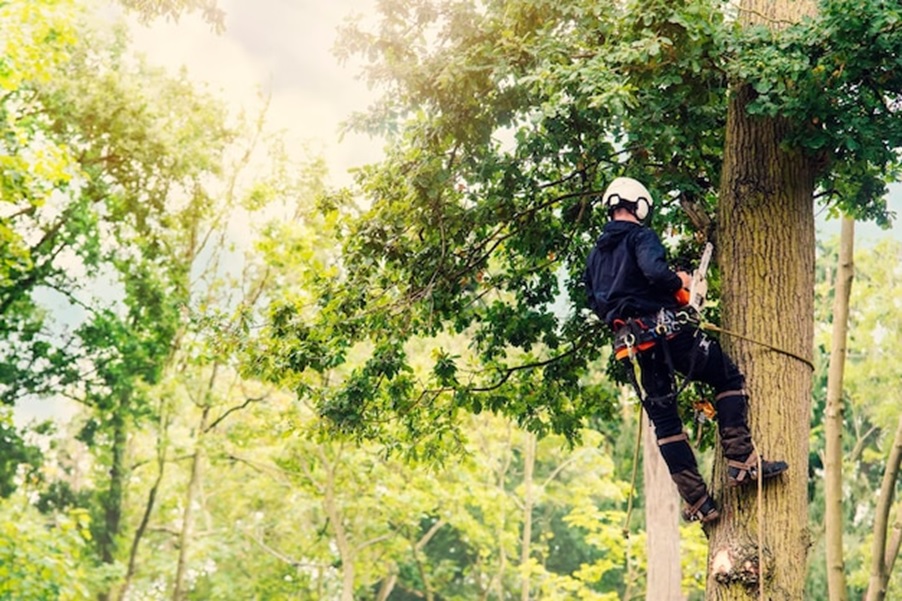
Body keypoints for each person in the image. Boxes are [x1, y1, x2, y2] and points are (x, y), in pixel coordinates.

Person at [583, 176, 788, 524]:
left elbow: (594, 301)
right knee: (727, 376)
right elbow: (654, 271)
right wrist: (683, 281)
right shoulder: (640, 237)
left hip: (635, 347)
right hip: (666, 334)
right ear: (640, 206)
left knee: (665, 421)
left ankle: (698, 501)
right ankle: (741, 462)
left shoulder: (595, 257)